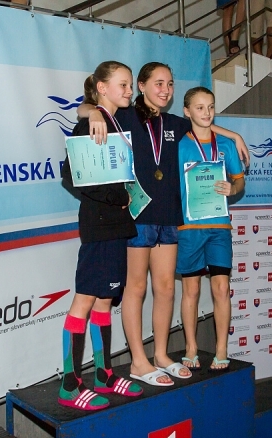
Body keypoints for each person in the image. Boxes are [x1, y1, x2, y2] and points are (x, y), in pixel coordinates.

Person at [79, 63, 248, 385]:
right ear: (142, 86)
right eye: (158, 83)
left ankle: (160, 354)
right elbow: (83, 108)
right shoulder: (124, 115)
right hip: (138, 217)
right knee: (136, 288)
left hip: (169, 217)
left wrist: (234, 135)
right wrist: (95, 114)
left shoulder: (173, 123)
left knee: (167, 288)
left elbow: (204, 123)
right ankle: (138, 361)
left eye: (169, 84)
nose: (165, 90)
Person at [59, 61, 144, 411]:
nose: (129, 91)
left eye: (130, 85)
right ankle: (69, 385)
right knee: (84, 300)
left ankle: (103, 374)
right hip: (99, 224)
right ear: (102, 88)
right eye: (122, 85)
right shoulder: (90, 123)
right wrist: (113, 196)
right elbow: (70, 174)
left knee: (105, 300)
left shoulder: (115, 121)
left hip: (117, 225)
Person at [177, 87, 245, 370]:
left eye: (211, 107)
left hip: (219, 226)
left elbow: (240, 181)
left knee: (221, 287)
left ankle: (221, 349)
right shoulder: (178, 144)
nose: (206, 113)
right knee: (191, 290)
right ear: (187, 111)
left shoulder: (226, 145)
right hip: (189, 226)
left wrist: (233, 188)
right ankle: (191, 348)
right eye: (200, 107)